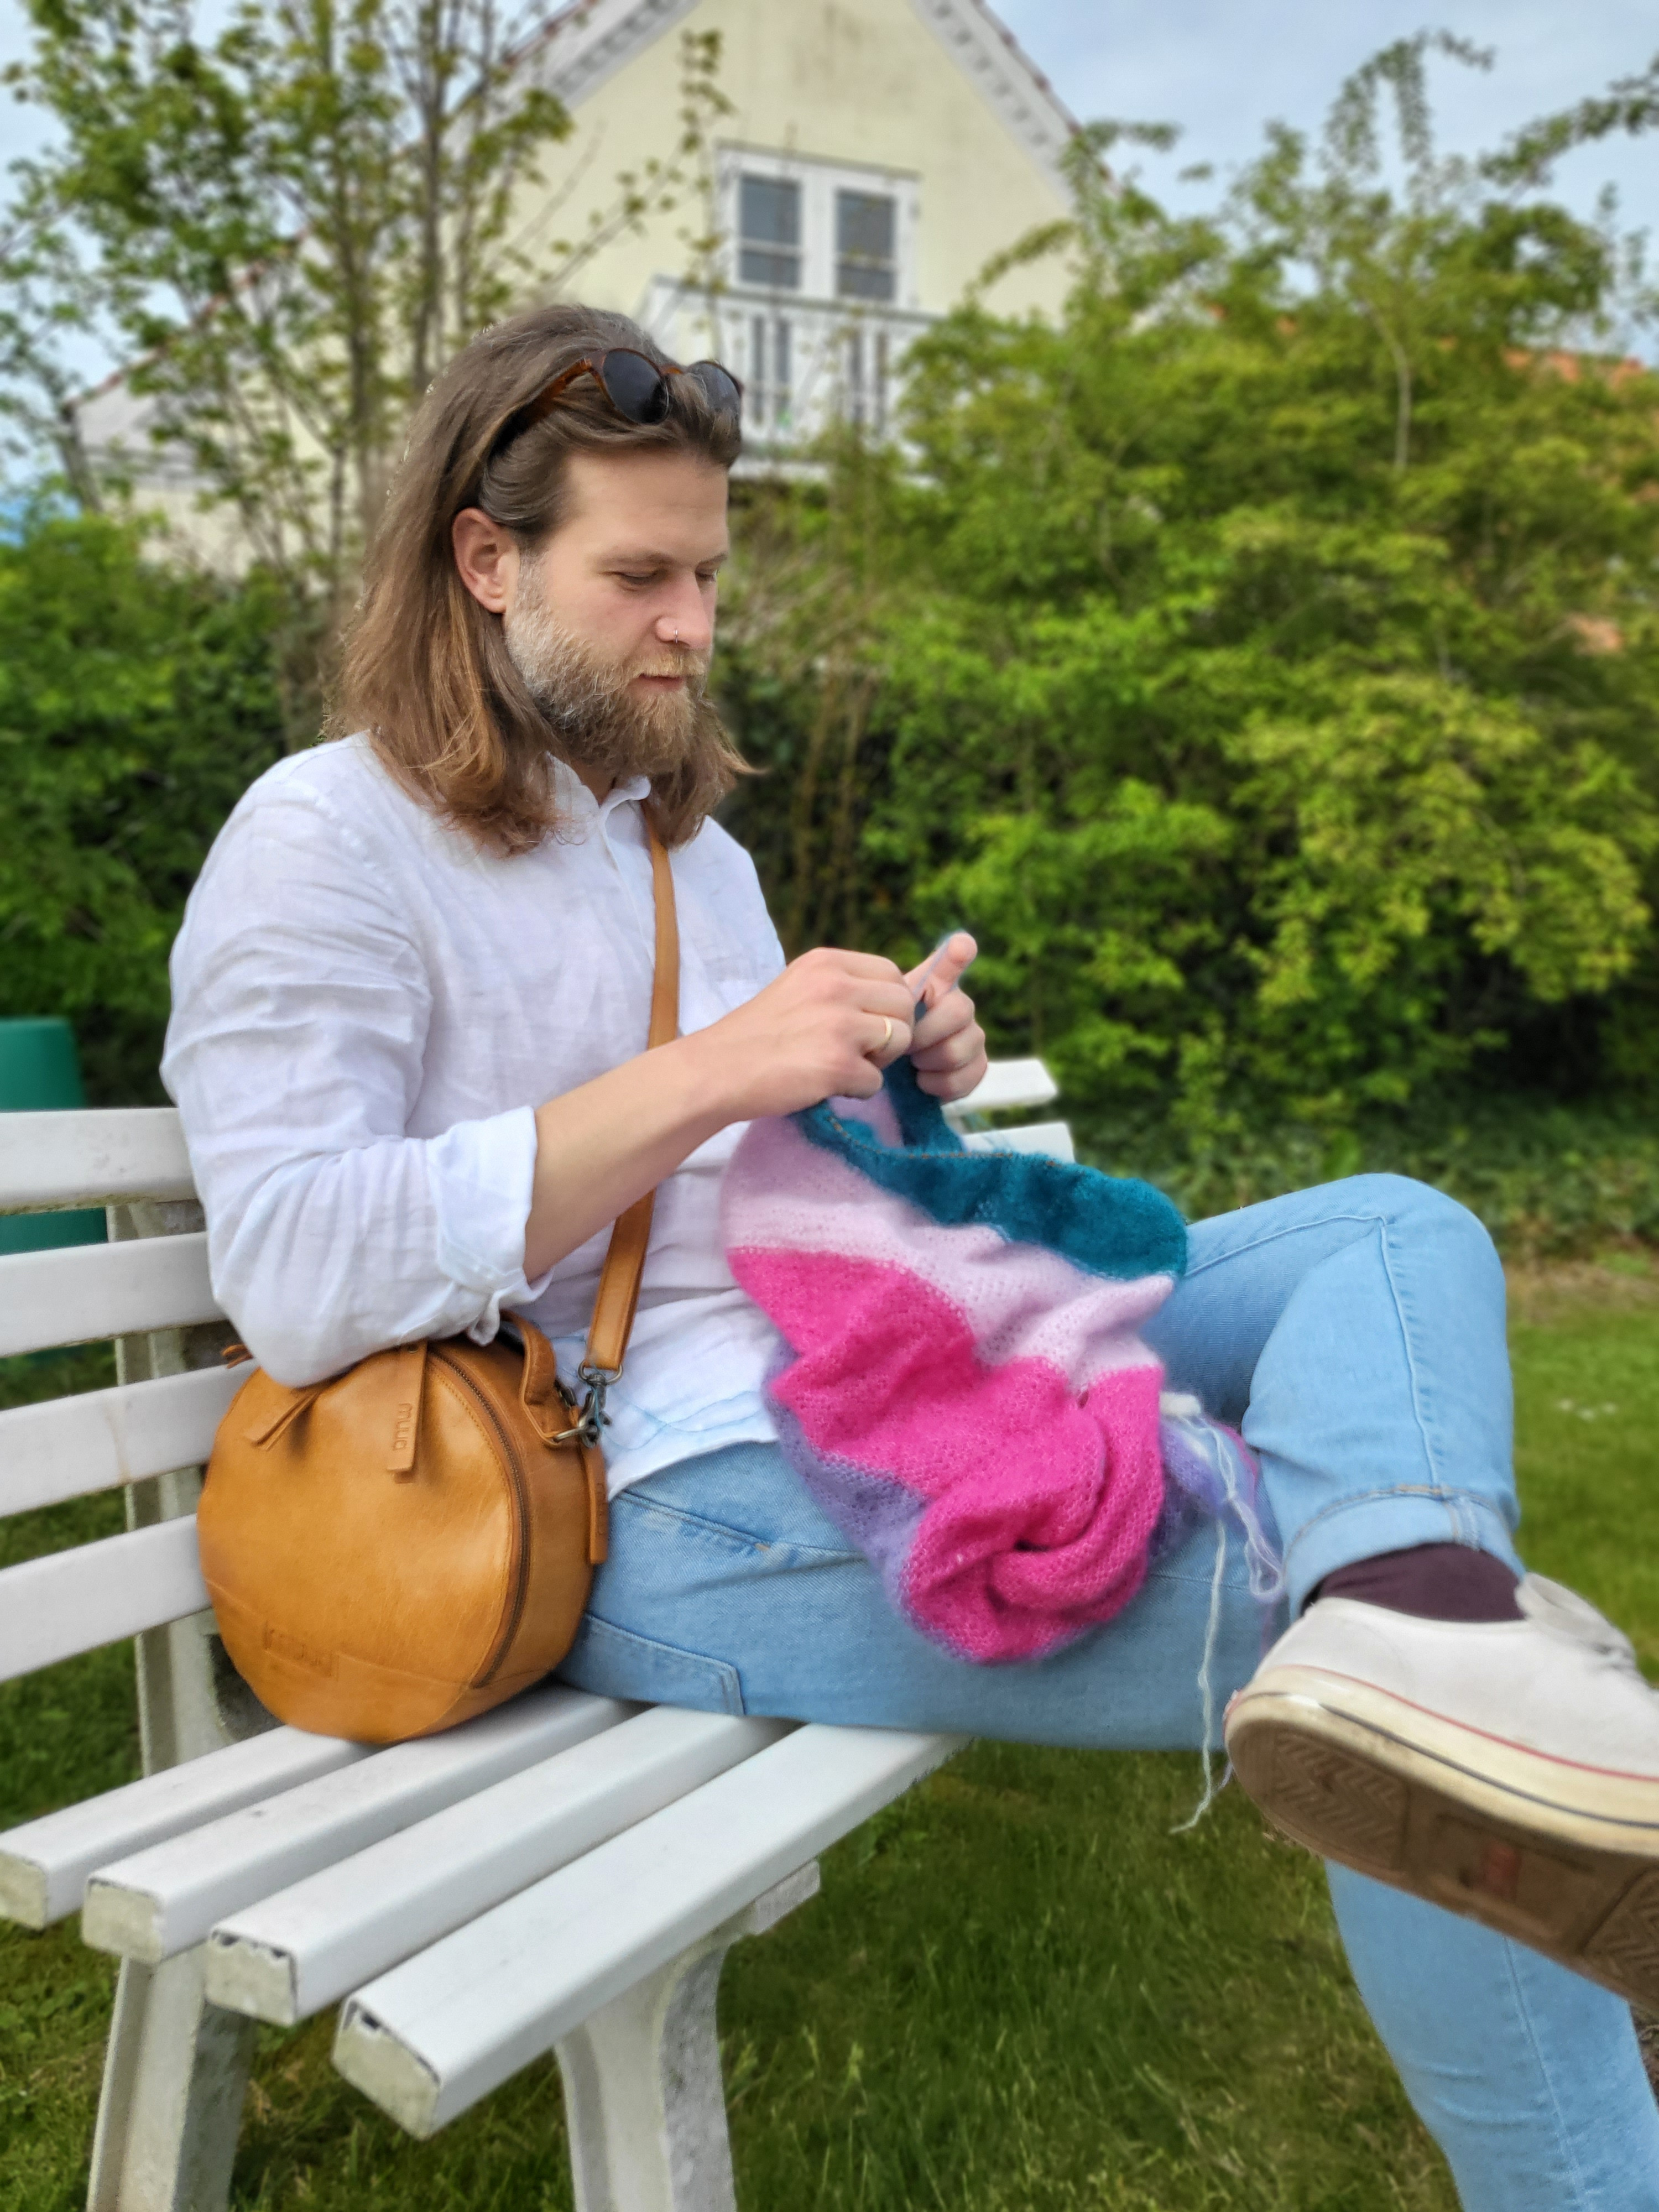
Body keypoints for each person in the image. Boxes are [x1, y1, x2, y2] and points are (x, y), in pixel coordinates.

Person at [163, 302, 1659, 2210]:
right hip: (613, 1502)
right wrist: (710, 1068)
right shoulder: (324, 841)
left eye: (707, 571)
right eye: (640, 576)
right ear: (484, 560)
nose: (694, 624)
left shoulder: (682, 850)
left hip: (852, 1353)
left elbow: (752, 1174)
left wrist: (884, 1077)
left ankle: (1452, 1645)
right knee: (1345, 1646)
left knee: (1392, 1236)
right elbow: (293, 1270)